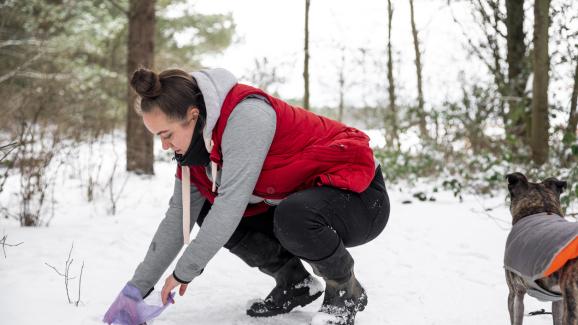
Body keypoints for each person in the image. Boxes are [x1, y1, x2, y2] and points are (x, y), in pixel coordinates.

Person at [103, 67, 390, 325]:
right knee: (205, 208)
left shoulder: (246, 115)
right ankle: (295, 283)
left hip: (360, 198)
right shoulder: (194, 155)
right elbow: (178, 219)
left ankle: (344, 288)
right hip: (301, 202)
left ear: (193, 116)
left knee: (289, 215)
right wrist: (135, 291)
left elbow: (230, 204)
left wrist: (184, 271)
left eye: (167, 134)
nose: (165, 146)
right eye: (159, 138)